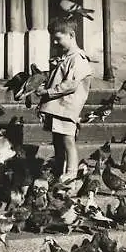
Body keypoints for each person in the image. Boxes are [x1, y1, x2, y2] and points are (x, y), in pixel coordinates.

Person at [35, 17, 94, 188]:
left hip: (67, 107)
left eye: (58, 38)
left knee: (68, 140)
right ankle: (58, 170)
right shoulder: (66, 57)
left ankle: (71, 173)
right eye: (53, 38)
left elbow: (70, 85)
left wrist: (47, 92)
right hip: (57, 107)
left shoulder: (78, 58)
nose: (54, 42)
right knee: (57, 141)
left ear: (71, 35)